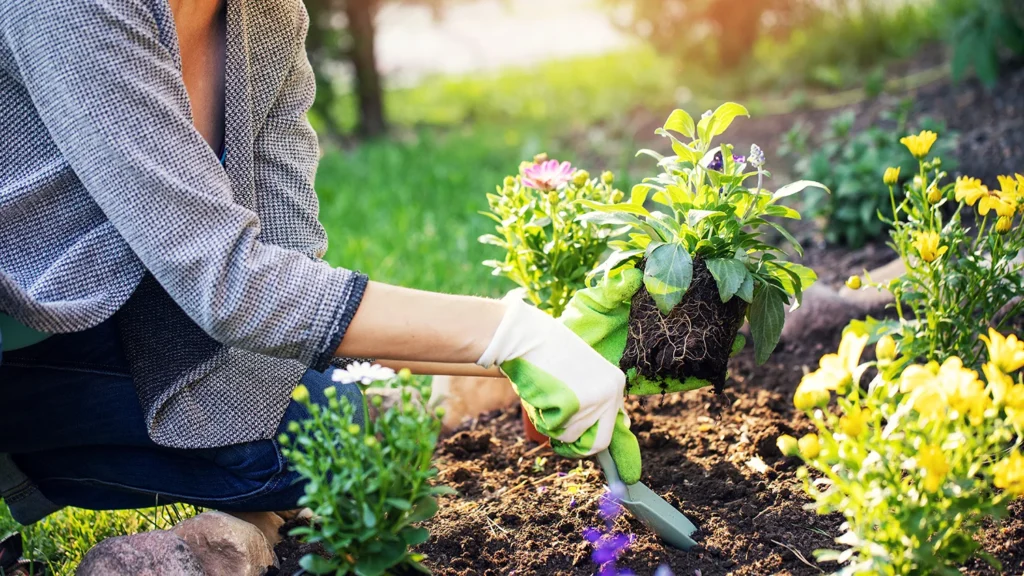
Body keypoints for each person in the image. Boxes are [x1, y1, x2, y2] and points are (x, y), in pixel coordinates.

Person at [0, 0, 635, 527]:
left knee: (337, 435)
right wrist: (504, 332)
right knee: (302, 449)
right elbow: (227, 281)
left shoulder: (264, 15)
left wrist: (528, 352)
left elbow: (288, 264)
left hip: (134, 314)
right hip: (24, 323)